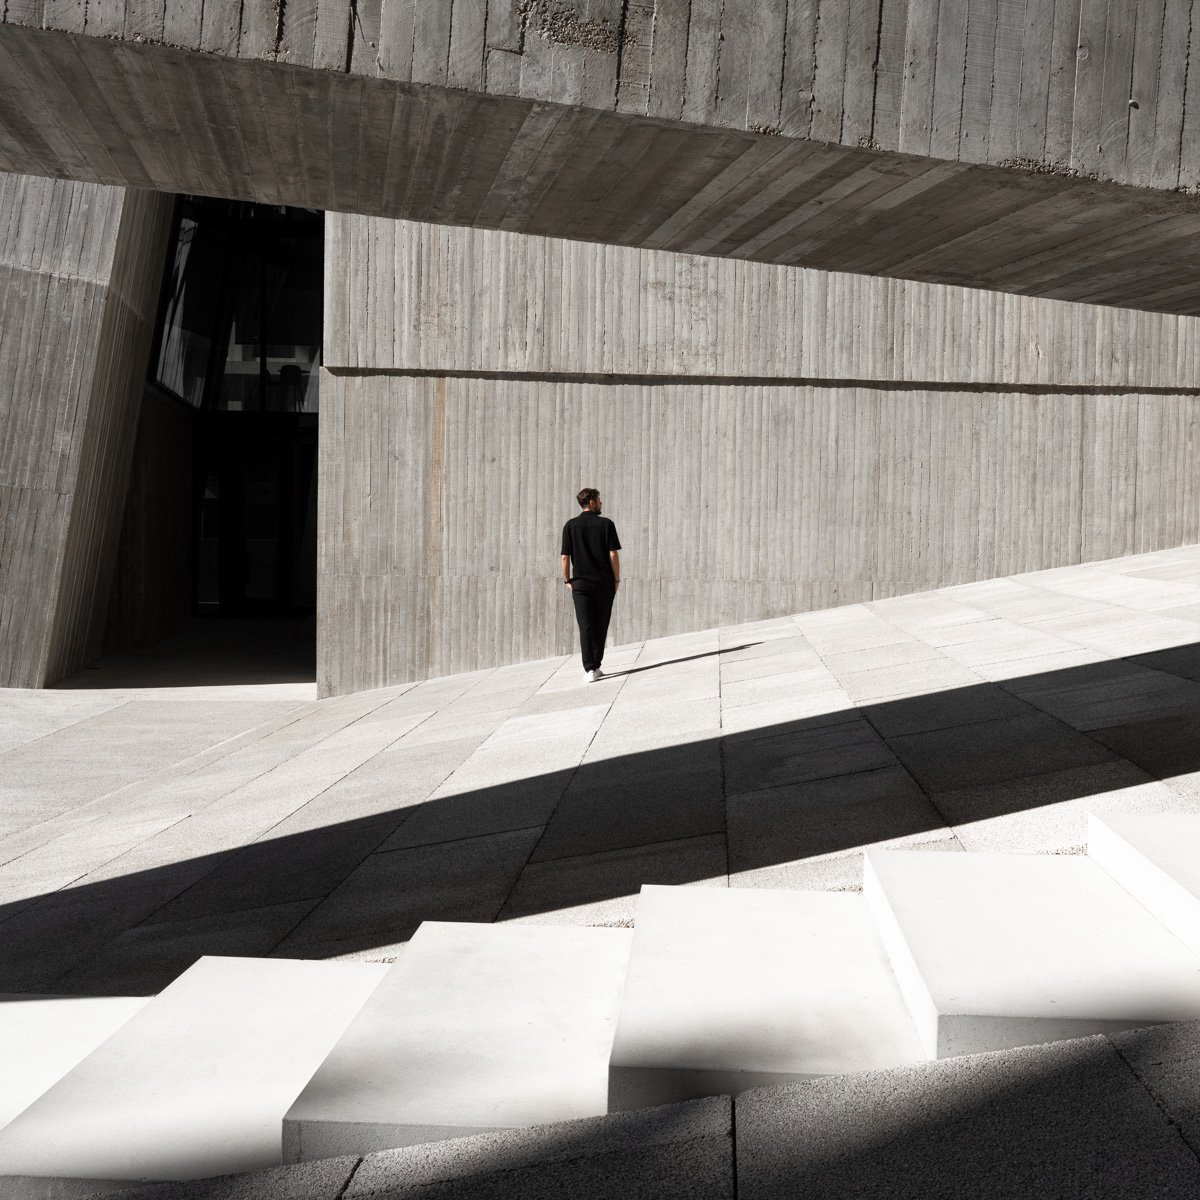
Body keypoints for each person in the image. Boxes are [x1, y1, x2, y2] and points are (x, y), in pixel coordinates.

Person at [561, 487, 621, 682]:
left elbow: (564, 557)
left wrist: (567, 580)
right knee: (601, 624)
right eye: (599, 500)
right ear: (592, 502)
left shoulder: (570, 526)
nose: (602, 503)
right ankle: (596, 664)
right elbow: (613, 555)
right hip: (604, 584)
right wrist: (616, 579)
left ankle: (590, 669)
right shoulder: (606, 524)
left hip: (581, 586)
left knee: (586, 625)